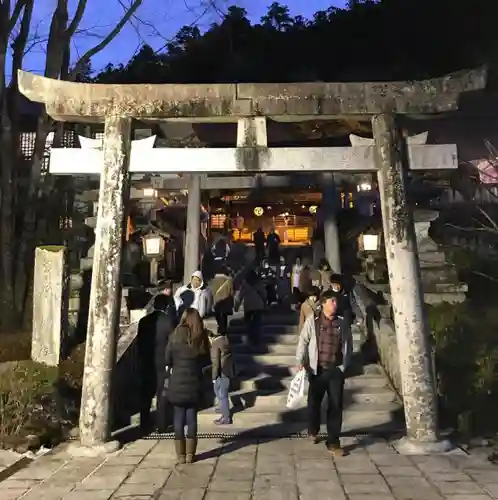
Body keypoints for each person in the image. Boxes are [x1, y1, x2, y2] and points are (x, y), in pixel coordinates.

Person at [295, 290, 353, 456]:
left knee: (336, 406)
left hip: (335, 370)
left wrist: (344, 365)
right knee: (314, 403)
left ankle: (333, 442)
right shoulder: (313, 322)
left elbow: (348, 345)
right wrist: (300, 361)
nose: (335, 304)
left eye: (336, 302)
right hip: (317, 369)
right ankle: (313, 429)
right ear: (324, 303)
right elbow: (303, 341)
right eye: (332, 301)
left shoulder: (342, 323)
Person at [165, 308, 210, 464]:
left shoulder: (175, 335)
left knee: (178, 419)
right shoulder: (201, 336)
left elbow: (167, 358)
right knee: (191, 419)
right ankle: (191, 454)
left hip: (177, 382)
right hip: (194, 383)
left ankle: (181, 456)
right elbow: (206, 360)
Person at [138, 290, 178, 433]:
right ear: (166, 306)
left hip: (146, 361)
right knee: (162, 393)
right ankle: (161, 424)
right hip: (163, 362)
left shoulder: (143, 322)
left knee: (146, 394)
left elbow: (139, 343)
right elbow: (173, 344)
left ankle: (144, 423)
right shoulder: (168, 322)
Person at [209, 328, 235, 425]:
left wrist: (214, 377)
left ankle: (226, 418)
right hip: (228, 369)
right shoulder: (225, 340)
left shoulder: (215, 344)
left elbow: (215, 362)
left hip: (222, 371)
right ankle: (223, 408)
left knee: (222, 394)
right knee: (219, 390)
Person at [234, 270, 267, 346]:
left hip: (249, 306)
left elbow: (239, 296)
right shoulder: (259, 283)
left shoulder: (244, 285)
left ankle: (251, 339)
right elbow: (264, 294)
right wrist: (265, 303)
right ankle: (257, 340)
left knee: (249, 324)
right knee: (257, 323)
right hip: (259, 305)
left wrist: (236, 307)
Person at [210, 265, 234, 334]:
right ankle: (223, 329)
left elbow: (211, 290)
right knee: (224, 315)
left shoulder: (214, 279)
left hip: (216, 300)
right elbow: (231, 292)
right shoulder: (229, 279)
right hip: (225, 299)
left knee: (217, 314)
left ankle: (220, 327)